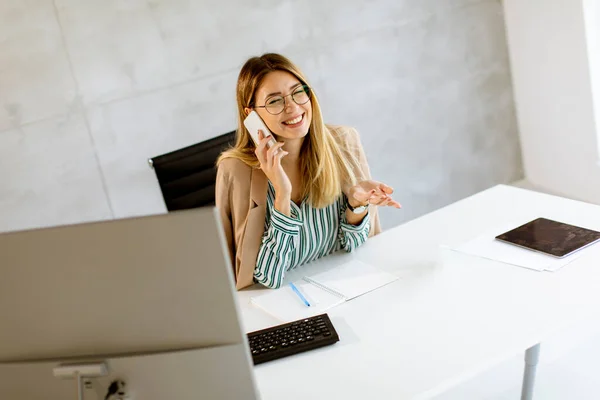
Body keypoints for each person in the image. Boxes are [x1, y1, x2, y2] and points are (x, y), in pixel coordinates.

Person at [216, 53, 401, 290]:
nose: (293, 107)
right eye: (274, 101)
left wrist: (356, 205)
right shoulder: (237, 171)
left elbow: (354, 247)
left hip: (344, 289)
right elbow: (267, 278)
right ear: (250, 114)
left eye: (298, 92)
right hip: (283, 304)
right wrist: (282, 195)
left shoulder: (344, 142)